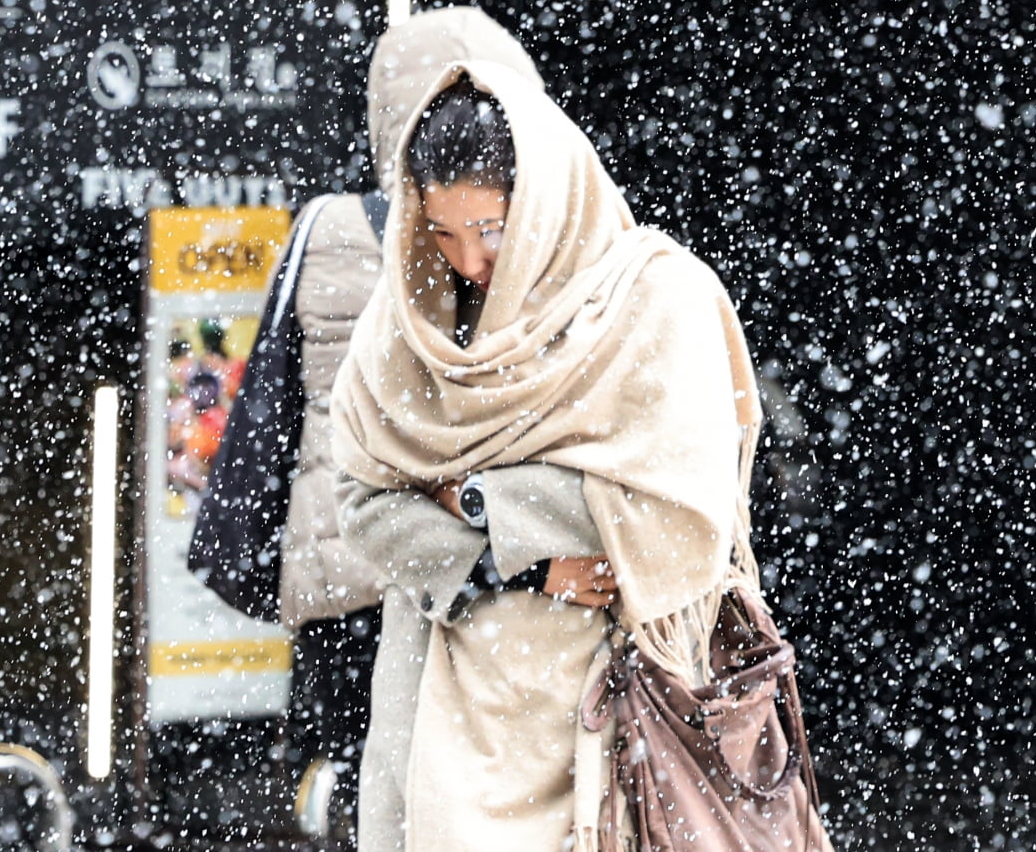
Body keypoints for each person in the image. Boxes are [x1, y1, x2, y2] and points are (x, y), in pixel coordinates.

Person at [330, 62, 771, 851]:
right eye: (441, 231)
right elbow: (361, 503)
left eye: (491, 229)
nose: (466, 262)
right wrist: (515, 562)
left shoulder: (653, 299)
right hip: (444, 705)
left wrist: (474, 501)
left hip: (609, 704)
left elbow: (679, 500)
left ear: (541, 207)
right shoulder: (404, 325)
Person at [188, 7, 547, 845]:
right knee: (466, 789)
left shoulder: (325, 229)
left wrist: (256, 556)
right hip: (479, 569)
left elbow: (265, 415)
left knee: (355, 786)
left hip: (345, 571)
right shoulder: (520, 243)